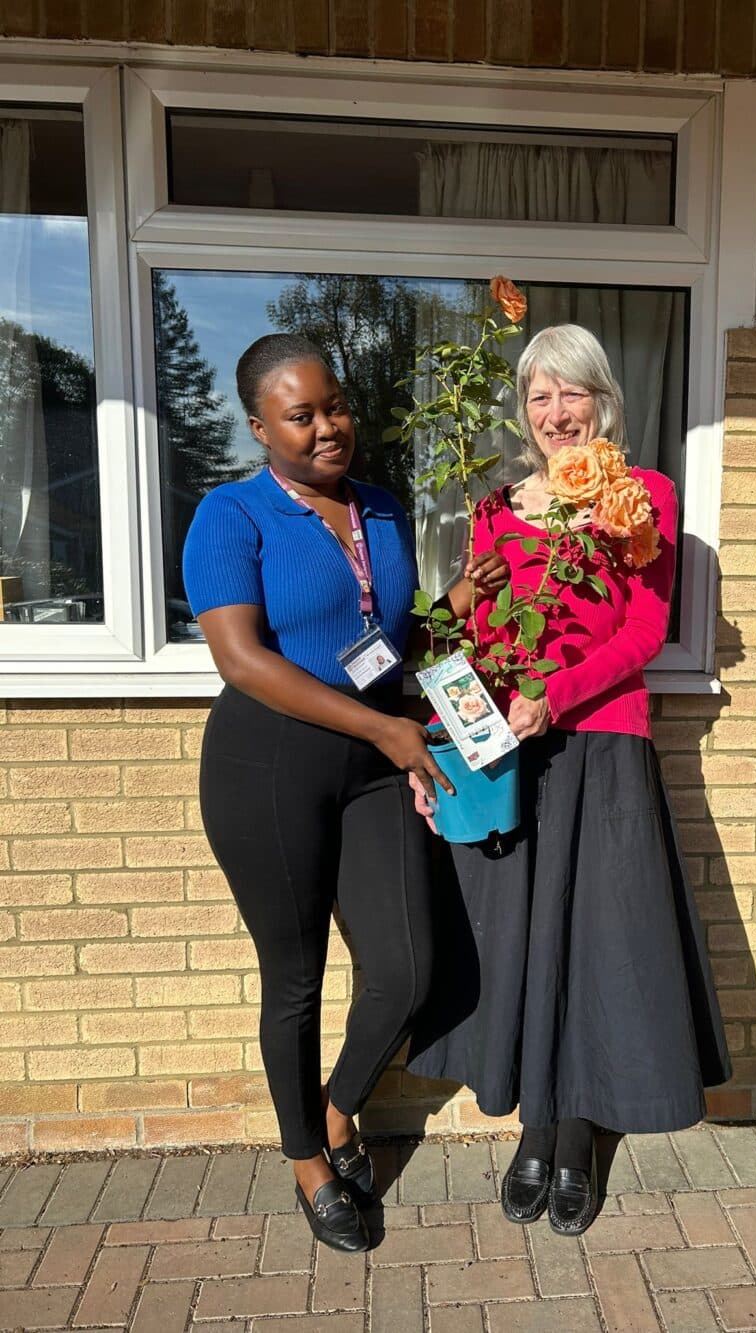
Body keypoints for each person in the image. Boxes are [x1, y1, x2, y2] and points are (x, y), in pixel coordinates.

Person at [182, 334, 506, 1253]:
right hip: (268, 766)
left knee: (407, 966)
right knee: (295, 980)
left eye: (334, 406)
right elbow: (241, 659)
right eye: (302, 415)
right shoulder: (232, 515)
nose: (328, 427)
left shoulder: (383, 508)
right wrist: (384, 728)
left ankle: (334, 1111)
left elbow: (385, 635)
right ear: (259, 427)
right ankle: (308, 1162)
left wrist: (456, 607)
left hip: (372, 761)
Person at [408, 324, 731, 1236]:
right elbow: (460, 632)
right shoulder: (495, 504)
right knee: (519, 936)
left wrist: (557, 693)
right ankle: (535, 1128)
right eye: (539, 396)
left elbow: (645, 633)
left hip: (601, 740)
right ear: (524, 409)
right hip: (510, 748)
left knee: (597, 939)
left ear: (602, 399)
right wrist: (459, 638)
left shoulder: (643, 499)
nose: (556, 413)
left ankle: (578, 1132)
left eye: (571, 393)